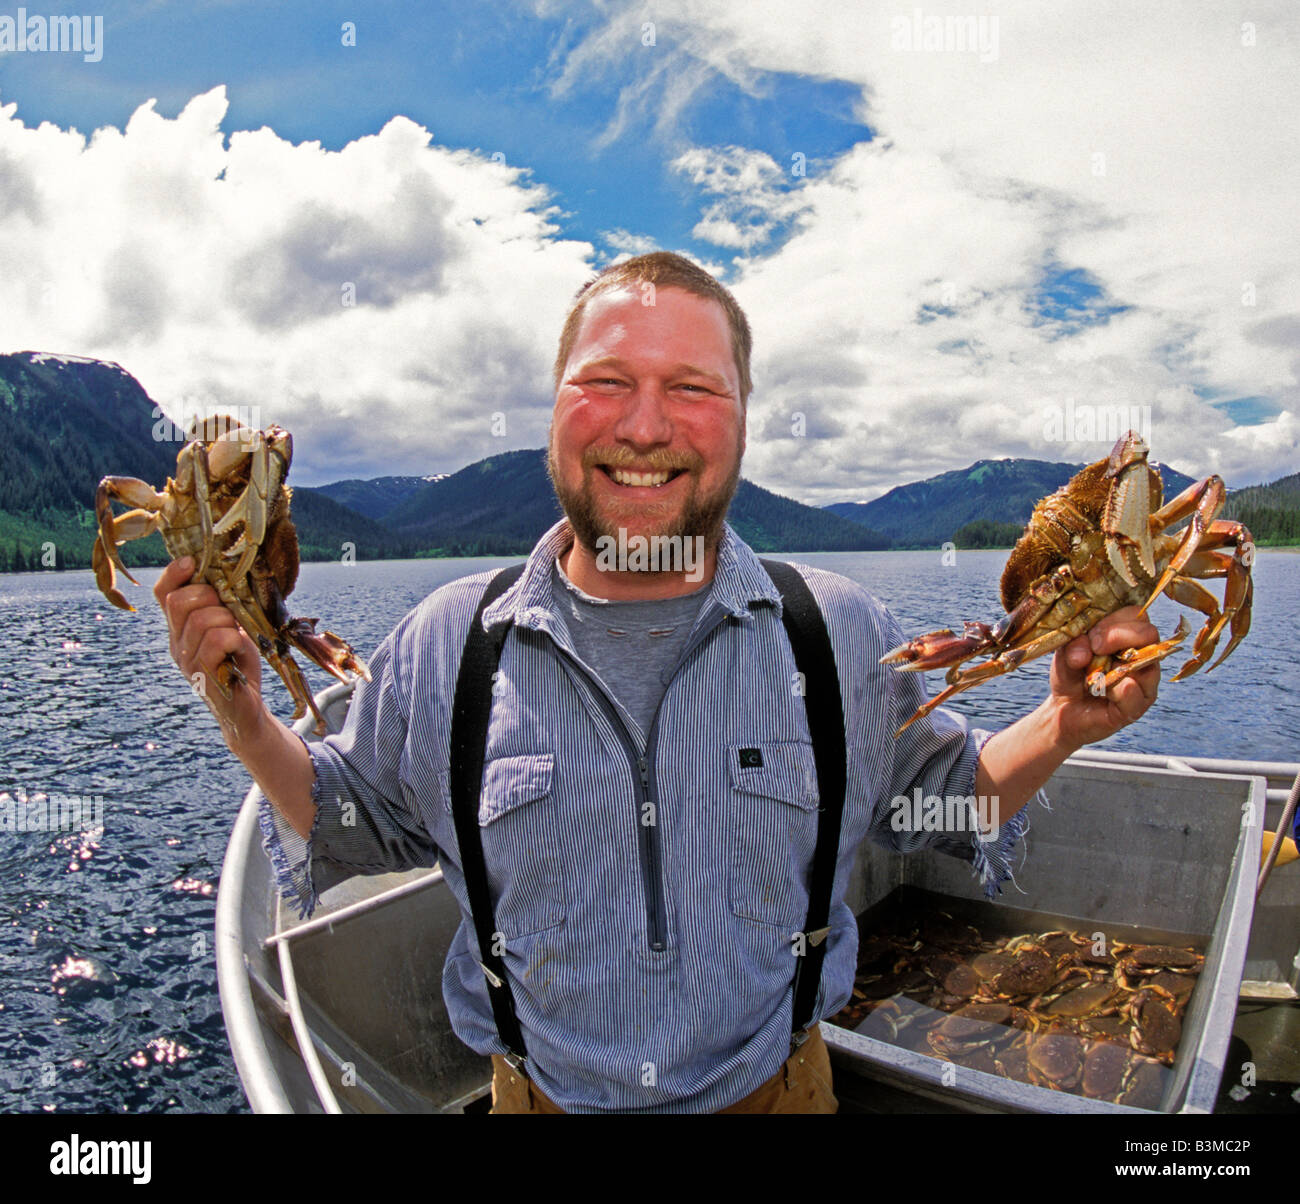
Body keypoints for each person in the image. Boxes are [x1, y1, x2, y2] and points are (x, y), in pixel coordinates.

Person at [154, 252, 1161, 1113]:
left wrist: (1063, 720)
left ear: (742, 419)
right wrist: (244, 716)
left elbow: (945, 802)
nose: (645, 426)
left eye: (692, 386)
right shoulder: (447, 642)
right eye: (605, 381)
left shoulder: (839, 632)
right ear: (552, 411)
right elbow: (344, 820)